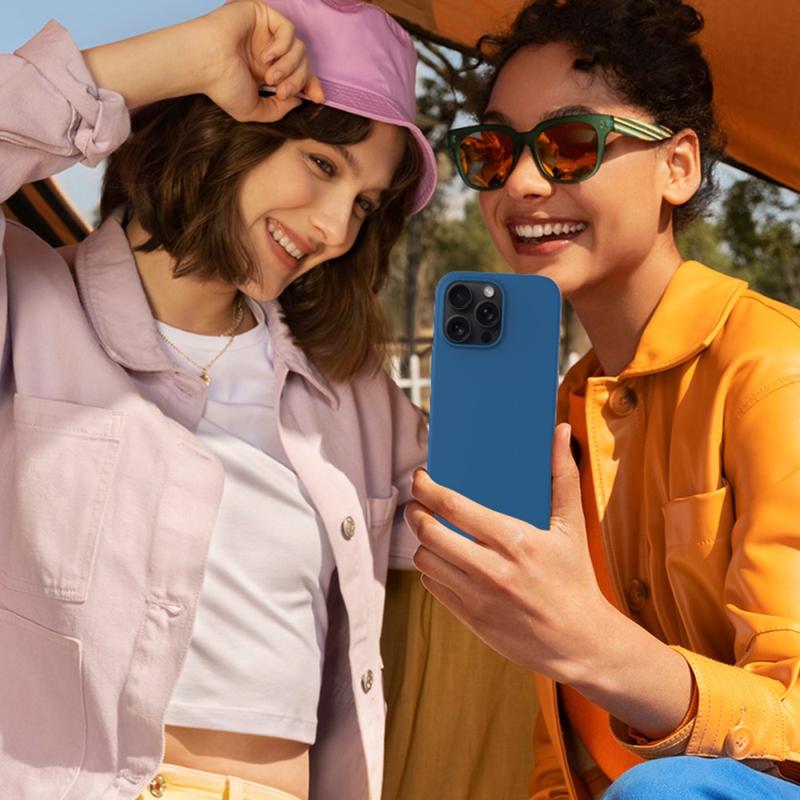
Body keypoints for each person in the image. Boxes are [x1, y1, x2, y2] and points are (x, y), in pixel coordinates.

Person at [0, 1, 437, 798]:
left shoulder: (355, 398)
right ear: (227, 125)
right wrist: (186, 57)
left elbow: (499, 537)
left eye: (364, 203)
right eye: (324, 164)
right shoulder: (27, 304)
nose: (336, 227)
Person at [402, 0, 800, 798]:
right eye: (491, 152)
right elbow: (567, 750)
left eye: (570, 145)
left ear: (677, 167)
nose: (520, 182)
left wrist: (593, 644)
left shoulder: (771, 373)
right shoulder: (558, 415)